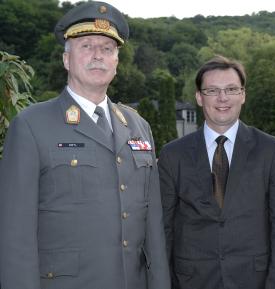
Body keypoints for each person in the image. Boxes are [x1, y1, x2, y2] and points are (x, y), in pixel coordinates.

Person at [0, 2, 170, 289]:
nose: (98, 56)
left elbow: (153, 227)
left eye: (107, 48)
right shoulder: (31, 125)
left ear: (117, 61)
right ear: (66, 59)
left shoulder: (138, 126)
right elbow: (15, 234)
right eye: (86, 46)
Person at [158, 55, 275, 289]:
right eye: (212, 90)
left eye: (231, 89)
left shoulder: (271, 150)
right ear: (199, 98)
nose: (223, 98)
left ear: (243, 95)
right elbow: (164, 229)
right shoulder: (173, 155)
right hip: (191, 281)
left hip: (255, 280)